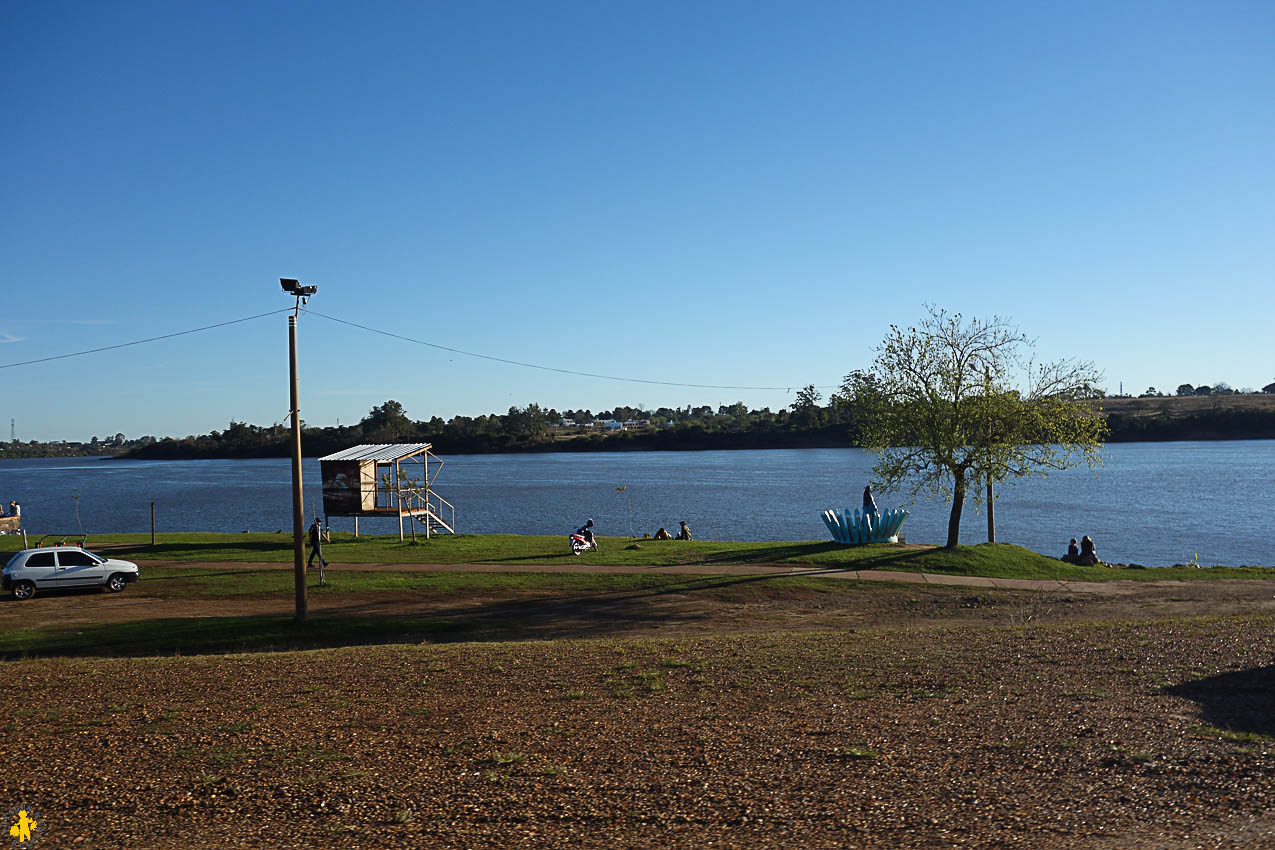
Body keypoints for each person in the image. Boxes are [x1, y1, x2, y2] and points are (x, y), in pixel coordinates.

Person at [307, 516, 329, 583]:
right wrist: (310, 541)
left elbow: (322, 534)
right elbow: (310, 534)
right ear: (317, 522)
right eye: (319, 522)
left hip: (318, 542)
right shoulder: (313, 527)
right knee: (319, 553)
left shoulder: (319, 528)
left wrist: (327, 539)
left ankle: (309, 563)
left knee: (314, 553)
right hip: (315, 541)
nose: (320, 523)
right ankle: (324, 563)